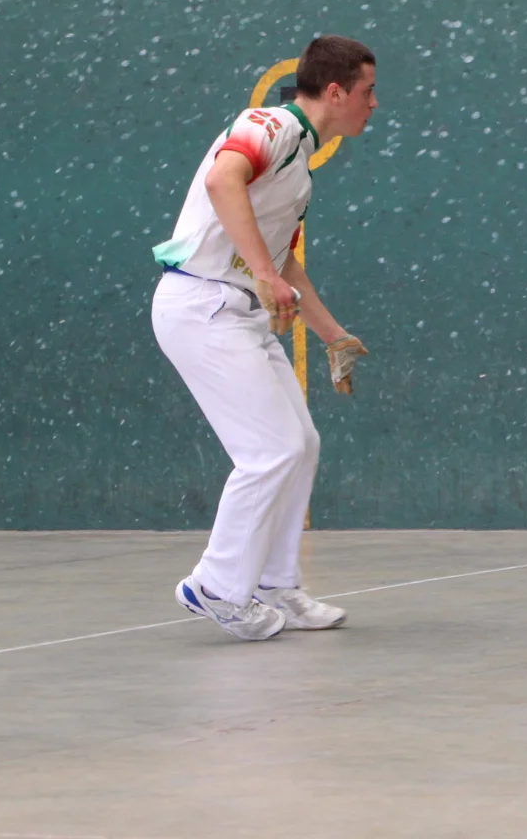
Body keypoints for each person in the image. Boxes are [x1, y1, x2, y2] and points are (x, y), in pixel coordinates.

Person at [151, 35, 377, 639]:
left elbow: (283, 263)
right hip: (201, 304)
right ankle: (216, 587)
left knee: (300, 444)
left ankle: (276, 583)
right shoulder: (270, 125)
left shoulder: (299, 166)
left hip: (239, 313)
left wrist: (333, 336)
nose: (374, 104)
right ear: (336, 92)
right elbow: (222, 181)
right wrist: (266, 274)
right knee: (270, 451)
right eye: (368, 91)